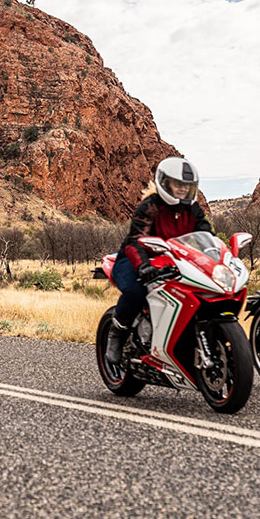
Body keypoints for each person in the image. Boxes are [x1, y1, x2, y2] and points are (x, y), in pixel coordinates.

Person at [105, 156, 214, 365]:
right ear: (165, 183)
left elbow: (206, 235)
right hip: (134, 258)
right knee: (135, 292)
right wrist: (143, 266)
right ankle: (116, 335)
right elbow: (135, 240)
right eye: (178, 184)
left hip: (171, 260)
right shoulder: (150, 206)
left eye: (187, 185)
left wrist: (214, 257)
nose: (183, 189)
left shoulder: (192, 208)